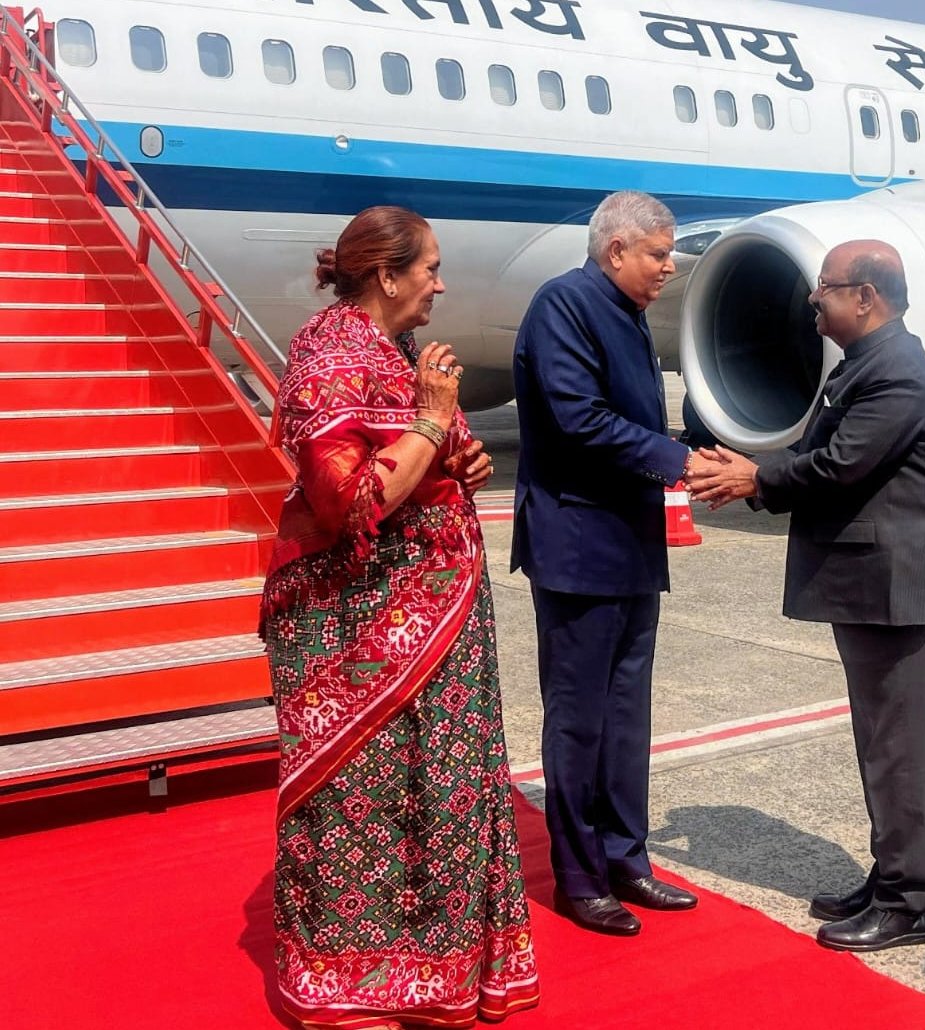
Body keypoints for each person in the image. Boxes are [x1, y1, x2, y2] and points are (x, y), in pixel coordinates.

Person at [260, 205, 539, 1029]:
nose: (440, 284)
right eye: (429, 269)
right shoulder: (328, 353)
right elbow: (349, 498)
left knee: (444, 791)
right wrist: (431, 416)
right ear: (386, 275)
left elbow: (422, 464)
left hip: (436, 617)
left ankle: (442, 972)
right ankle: (350, 984)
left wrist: (460, 454)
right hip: (355, 627)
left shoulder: (393, 350)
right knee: (355, 800)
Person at [686, 240, 925, 952]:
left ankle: (909, 902)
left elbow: (842, 464)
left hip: (897, 589)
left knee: (898, 747)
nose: (814, 302)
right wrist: (757, 473)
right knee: (881, 742)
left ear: (866, 296)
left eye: (826, 291)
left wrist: (757, 479)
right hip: (875, 585)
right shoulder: (868, 364)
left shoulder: (896, 370)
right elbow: (827, 456)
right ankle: (892, 874)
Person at [511, 190, 718, 936]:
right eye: (659, 253)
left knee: (627, 716)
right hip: (576, 546)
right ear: (616, 250)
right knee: (580, 720)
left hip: (629, 544)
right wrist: (679, 461)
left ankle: (626, 858)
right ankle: (577, 875)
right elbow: (578, 417)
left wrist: (680, 461)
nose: (669, 265)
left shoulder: (626, 313)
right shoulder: (565, 304)